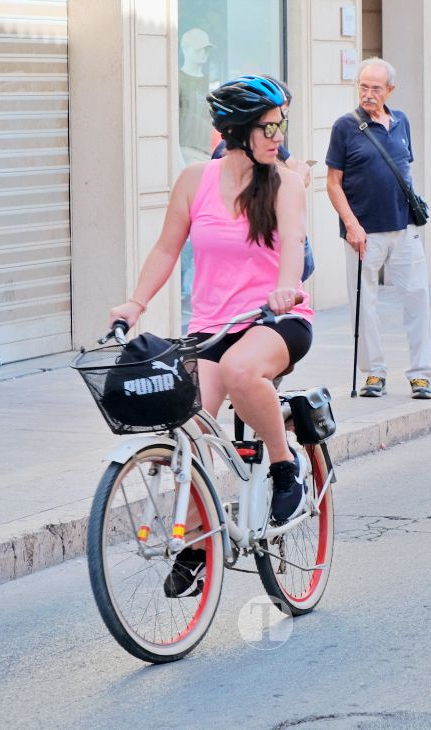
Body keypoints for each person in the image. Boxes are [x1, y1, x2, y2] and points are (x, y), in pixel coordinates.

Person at [108, 74, 313, 553]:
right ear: (239, 132)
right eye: (268, 128)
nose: (278, 136)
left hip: (276, 320)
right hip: (211, 327)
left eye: (280, 126)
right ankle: (200, 549)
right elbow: (165, 249)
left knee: (243, 372)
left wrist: (287, 286)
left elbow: (294, 243)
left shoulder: (285, 184)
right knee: (193, 428)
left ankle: (285, 469)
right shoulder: (194, 181)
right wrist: (134, 304)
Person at [326, 57, 431, 399]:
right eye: (363, 86)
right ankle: (374, 374)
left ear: (390, 90)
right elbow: (333, 183)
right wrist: (351, 224)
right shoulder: (344, 127)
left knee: (417, 298)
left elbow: (404, 170)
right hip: (363, 233)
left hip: (404, 229)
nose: (368, 94)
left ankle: (421, 374)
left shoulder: (401, 122)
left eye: (375, 88)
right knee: (364, 304)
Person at [178, 28, 215, 164]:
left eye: (206, 49)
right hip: (186, 150)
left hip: (208, 152)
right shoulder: (178, 80)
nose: (204, 53)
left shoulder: (209, 82)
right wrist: (178, 157)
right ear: (186, 50)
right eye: (199, 49)